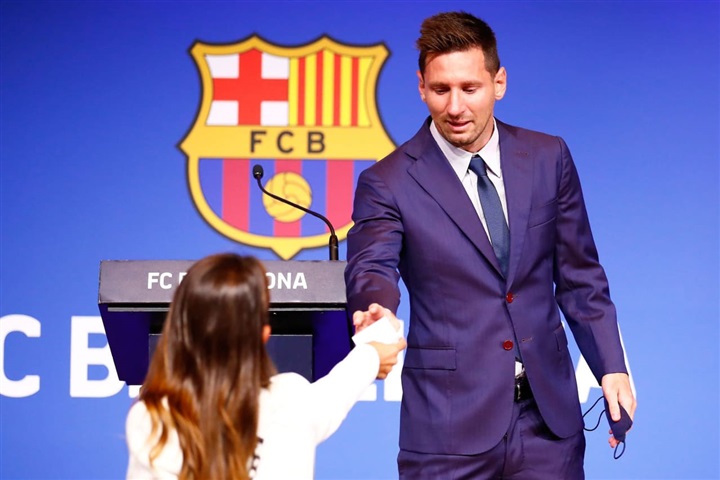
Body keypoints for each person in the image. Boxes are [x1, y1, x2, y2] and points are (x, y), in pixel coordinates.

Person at [345, 10, 637, 479]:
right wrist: (375, 308)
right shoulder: (387, 182)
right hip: (447, 431)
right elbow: (371, 266)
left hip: (549, 427)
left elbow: (581, 277)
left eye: (470, 88)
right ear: (421, 87)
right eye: (441, 89)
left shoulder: (548, 157)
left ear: (499, 83)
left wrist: (611, 366)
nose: (455, 106)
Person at [125, 253, 406, 480]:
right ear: (263, 334)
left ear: (178, 329)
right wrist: (377, 336)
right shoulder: (291, 400)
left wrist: (372, 354)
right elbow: (351, 377)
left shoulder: (150, 419)